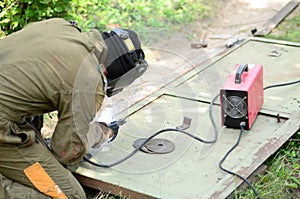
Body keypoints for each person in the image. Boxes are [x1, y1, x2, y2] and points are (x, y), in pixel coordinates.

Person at [0, 18, 147, 199]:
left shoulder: (60, 26)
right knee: (69, 195)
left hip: (9, 109)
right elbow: (66, 152)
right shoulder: (88, 79)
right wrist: (101, 132)